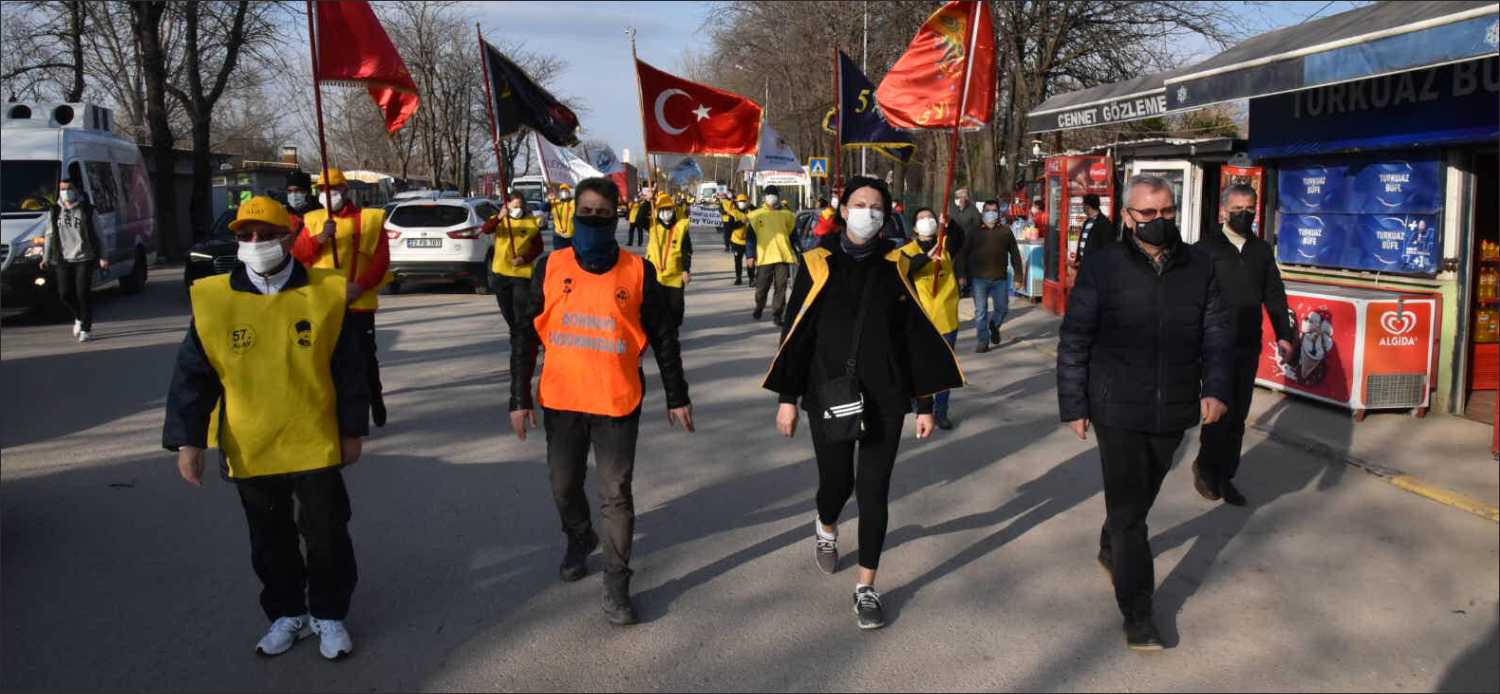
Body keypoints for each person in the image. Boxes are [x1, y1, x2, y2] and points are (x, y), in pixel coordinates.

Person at [163, 196, 368, 661]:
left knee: (327, 532)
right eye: (245, 236)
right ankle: (287, 612)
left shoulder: (326, 293)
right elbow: (193, 375)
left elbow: (350, 368)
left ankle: (329, 613)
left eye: (266, 235)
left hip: (314, 438)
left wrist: (352, 429)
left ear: (290, 238)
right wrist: (188, 440)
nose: (255, 244)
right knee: (269, 538)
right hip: (250, 442)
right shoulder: (214, 299)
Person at [763, 176, 963, 631]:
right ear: (843, 207)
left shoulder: (898, 266)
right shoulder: (817, 263)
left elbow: (916, 340)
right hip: (828, 394)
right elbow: (795, 334)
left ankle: (866, 588)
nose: (867, 212)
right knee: (837, 484)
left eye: (876, 205)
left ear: (887, 212)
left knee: (874, 493)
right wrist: (788, 400)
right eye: (859, 203)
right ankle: (826, 524)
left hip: (886, 398)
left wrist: (926, 403)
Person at [1056, 174, 1232, 651]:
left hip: (1174, 406)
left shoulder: (1200, 265)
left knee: (1141, 496)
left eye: (1167, 212)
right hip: (1115, 405)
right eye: (1148, 213)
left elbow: (1218, 333)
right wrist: (1074, 403)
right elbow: (1075, 338)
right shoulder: (1104, 266)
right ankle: (1139, 613)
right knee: (1133, 514)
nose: (1159, 221)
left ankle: (1111, 539)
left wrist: (1216, 387)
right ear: (1129, 216)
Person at [509, 177, 694, 626]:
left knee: (616, 495)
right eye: (585, 212)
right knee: (564, 487)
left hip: (616, 402)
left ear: (617, 217)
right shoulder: (550, 266)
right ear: (573, 214)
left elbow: (663, 336)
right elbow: (524, 336)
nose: (593, 219)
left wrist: (678, 395)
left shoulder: (637, 270)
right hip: (562, 400)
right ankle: (578, 538)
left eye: (602, 213)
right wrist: (518, 397)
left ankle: (616, 582)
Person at [1192, 183, 1297, 507]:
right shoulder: (1205, 249)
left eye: (1249, 209)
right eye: (1237, 209)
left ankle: (1226, 476)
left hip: (1247, 343)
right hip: (1213, 346)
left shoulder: (1261, 250)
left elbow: (1275, 295)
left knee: (1238, 415)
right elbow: (1190, 298)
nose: (1244, 214)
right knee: (1217, 412)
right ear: (1224, 210)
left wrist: (1284, 334)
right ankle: (1207, 468)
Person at [292, 168, 391, 428]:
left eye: (333, 189)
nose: (328, 195)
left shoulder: (369, 220)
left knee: (364, 358)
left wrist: (359, 287)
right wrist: (322, 238)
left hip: (358, 303)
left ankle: (375, 401)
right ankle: (332, 412)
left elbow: (381, 261)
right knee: (325, 361)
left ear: (346, 191)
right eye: (323, 190)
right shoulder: (312, 220)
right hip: (322, 304)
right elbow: (298, 256)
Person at [899, 207, 961, 430]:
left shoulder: (946, 245)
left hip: (945, 318)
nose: (926, 221)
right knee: (918, 365)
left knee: (943, 369)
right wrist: (926, 258)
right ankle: (920, 400)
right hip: (919, 320)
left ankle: (941, 411)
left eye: (930, 218)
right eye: (921, 218)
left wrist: (950, 224)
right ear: (915, 227)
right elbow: (903, 270)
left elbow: (961, 238)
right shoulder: (907, 251)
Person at [40, 177, 107, 342]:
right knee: (65, 294)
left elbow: (100, 235)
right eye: (62, 189)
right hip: (62, 258)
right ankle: (78, 316)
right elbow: (49, 235)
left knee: (83, 293)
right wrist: (45, 257)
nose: (65, 192)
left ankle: (86, 328)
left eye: (68, 188)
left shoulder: (87, 210)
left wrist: (103, 256)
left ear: (76, 190)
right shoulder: (55, 211)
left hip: (84, 257)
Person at [959, 200, 1022, 353]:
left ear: (998, 212)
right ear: (983, 212)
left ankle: (994, 325)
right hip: (979, 278)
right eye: (988, 210)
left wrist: (1018, 277)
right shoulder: (974, 231)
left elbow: (1015, 254)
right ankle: (983, 341)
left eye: (994, 210)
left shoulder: (1006, 231)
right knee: (981, 312)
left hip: (999, 278)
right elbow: (963, 254)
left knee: (1002, 308)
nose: (991, 213)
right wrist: (961, 275)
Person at [483, 193, 544, 334]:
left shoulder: (531, 222)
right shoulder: (499, 220)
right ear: (507, 205)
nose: (518, 208)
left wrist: (524, 259)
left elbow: (538, 247)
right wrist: (499, 217)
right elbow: (486, 229)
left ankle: (521, 337)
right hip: (501, 272)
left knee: (520, 310)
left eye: (520, 205)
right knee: (507, 310)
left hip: (521, 274)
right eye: (515, 205)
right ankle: (516, 332)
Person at [745, 185, 798, 326]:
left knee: (781, 286)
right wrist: (750, 255)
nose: (771, 196)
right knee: (762, 287)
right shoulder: (756, 215)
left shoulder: (787, 215)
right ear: (764, 197)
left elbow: (793, 236)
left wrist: (798, 251)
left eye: (773, 194)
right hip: (765, 257)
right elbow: (750, 238)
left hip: (783, 256)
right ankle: (759, 305)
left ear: (778, 197)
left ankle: (777, 314)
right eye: (769, 194)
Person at [646, 192, 693, 328]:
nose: (666, 212)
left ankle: (673, 327)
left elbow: (687, 251)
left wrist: (686, 269)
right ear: (658, 211)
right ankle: (666, 334)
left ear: (673, 210)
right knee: (658, 310)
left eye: (669, 209)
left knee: (676, 310)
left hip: (675, 277)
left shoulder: (681, 227)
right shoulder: (652, 225)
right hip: (656, 277)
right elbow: (637, 219)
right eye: (663, 209)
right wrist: (646, 202)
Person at [1074, 193, 1116, 267]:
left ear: (1088, 206)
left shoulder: (1104, 223)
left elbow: (1106, 248)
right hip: (1084, 264)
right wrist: (1078, 260)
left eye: (1083, 205)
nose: (1082, 207)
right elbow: (1082, 242)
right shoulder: (1087, 222)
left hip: (1095, 266)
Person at [725, 193, 752, 285]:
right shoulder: (733, 213)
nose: (742, 203)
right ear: (737, 202)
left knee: (750, 261)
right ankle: (738, 277)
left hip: (749, 241)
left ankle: (751, 279)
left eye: (744, 201)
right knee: (738, 261)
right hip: (736, 241)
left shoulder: (751, 212)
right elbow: (730, 227)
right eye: (740, 201)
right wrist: (741, 222)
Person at [551, 183, 576, 250]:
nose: (564, 192)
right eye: (562, 191)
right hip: (558, 236)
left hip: (572, 236)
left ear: (569, 192)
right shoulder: (555, 202)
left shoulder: (574, 203)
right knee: (559, 256)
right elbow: (543, 207)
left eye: (566, 191)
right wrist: (549, 200)